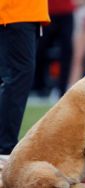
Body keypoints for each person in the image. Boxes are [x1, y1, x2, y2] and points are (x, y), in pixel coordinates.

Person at [0, 0, 50, 166]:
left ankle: (4, 147)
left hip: (19, 14)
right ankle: (4, 149)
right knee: (17, 78)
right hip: (17, 12)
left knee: (13, 77)